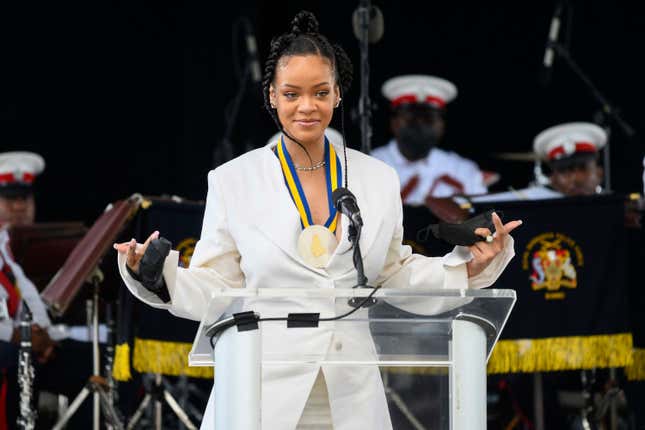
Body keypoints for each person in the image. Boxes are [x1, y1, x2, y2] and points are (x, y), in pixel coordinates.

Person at [114, 11, 522, 430]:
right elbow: (217, 286)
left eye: (320, 93)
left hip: (351, 392)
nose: (306, 107)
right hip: (261, 389)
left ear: (338, 95)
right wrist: (156, 274)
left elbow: (391, 272)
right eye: (291, 94)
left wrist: (467, 267)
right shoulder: (233, 180)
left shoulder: (377, 178)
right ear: (271, 96)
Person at [371, 75, 489, 205]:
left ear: (442, 126)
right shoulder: (369, 164)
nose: (420, 124)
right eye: (412, 118)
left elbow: (482, 220)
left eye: (429, 118)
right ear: (393, 122)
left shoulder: (463, 170)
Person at [473, 122, 607, 202]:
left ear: (600, 173)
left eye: (583, 168)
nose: (575, 178)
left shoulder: (620, 210)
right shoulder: (531, 205)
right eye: (565, 171)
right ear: (553, 179)